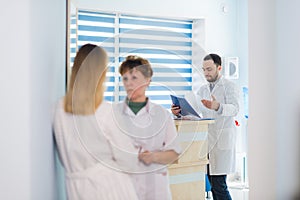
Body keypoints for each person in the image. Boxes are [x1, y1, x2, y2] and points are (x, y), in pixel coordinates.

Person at [53, 44, 138, 200]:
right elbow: (129, 162)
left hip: (76, 189)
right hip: (110, 188)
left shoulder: (59, 109)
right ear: (101, 74)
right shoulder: (105, 111)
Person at [111, 55, 182, 200]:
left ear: (148, 80)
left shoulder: (162, 115)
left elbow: (174, 154)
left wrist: (153, 157)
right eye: (125, 78)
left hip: (155, 190)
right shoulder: (112, 114)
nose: (129, 83)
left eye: (134, 78)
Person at [171, 53, 239, 200]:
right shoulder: (202, 90)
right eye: (204, 69)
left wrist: (218, 106)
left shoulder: (230, 87)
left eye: (209, 69)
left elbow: (235, 109)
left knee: (219, 185)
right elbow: (195, 114)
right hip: (206, 143)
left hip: (222, 142)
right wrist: (179, 113)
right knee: (214, 185)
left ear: (219, 68)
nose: (206, 73)